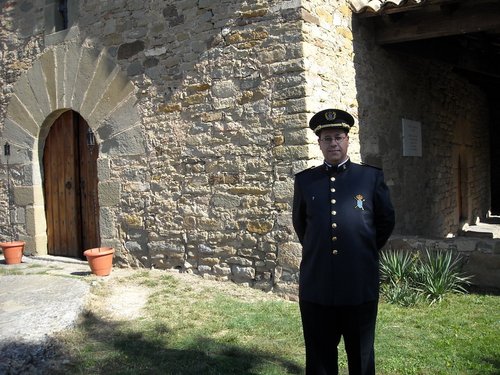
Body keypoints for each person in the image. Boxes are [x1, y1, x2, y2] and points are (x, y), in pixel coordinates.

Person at [292, 108, 395, 375]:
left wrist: (360, 250)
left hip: (359, 283)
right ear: (319, 143)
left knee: (360, 357)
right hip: (318, 284)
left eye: (338, 137)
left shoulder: (369, 178)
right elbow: (302, 226)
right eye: (327, 139)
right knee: (319, 358)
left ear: (348, 140)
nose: (333, 143)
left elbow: (385, 222)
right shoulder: (305, 181)